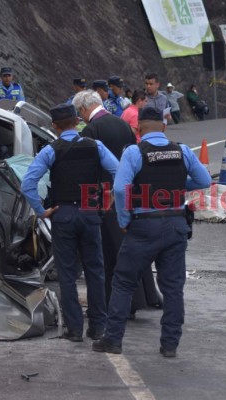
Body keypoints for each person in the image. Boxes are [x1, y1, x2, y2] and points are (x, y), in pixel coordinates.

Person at [92, 107, 211, 357]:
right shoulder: (182, 150)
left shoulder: (135, 152)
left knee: (123, 282)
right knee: (173, 287)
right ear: (164, 127)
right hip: (177, 224)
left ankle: (112, 339)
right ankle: (170, 345)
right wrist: (179, 187)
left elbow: (122, 189)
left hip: (143, 225)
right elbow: (204, 181)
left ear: (138, 130)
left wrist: (124, 220)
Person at [21, 103, 119, 342]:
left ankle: (74, 329)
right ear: (78, 121)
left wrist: (42, 210)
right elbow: (119, 172)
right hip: (89, 213)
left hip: (63, 215)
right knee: (95, 272)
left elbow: (27, 185)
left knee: (66, 274)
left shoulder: (50, 150)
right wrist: (110, 200)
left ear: (54, 126)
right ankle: (98, 327)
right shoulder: (96, 147)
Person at [72, 90, 142, 310]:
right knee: (127, 250)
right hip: (127, 192)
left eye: (79, 113)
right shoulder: (122, 124)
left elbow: (86, 166)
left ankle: (112, 303)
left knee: (106, 254)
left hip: (101, 197)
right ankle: (135, 300)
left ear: (84, 108)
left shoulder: (92, 130)